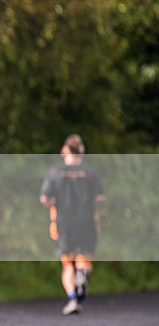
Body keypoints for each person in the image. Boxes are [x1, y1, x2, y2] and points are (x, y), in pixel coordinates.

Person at [39, 134, 105, 315]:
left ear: (64, 152)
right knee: (84, 259)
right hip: (86, 221)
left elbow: (44, 198)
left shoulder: (55, 172)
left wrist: (53, 205)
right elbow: (99, 197)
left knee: (68, 264)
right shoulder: (90, 173)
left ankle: (72, 299)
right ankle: (81, 274)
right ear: (81, 152)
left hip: (63, 222)